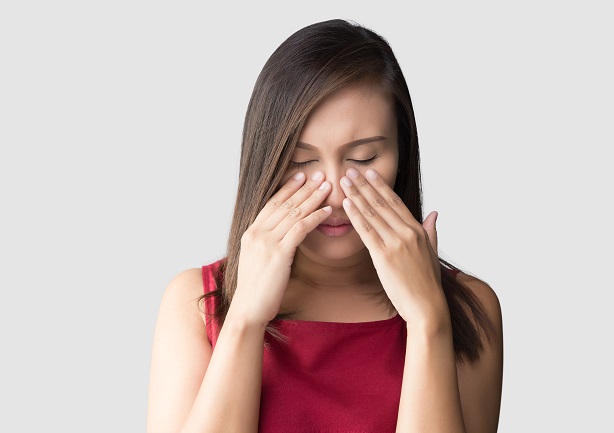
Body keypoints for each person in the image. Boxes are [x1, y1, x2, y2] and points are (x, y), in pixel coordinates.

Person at [147, 18, 503, 433]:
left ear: (402, 154)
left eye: (364, 158)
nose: (334, 193)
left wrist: (428, 320)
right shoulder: (196, 302)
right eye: (300, 162)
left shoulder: (469, 309)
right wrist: (244, 319)